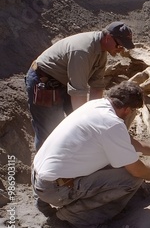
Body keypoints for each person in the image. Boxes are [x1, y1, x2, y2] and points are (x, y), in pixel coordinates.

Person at [31, 81, 150, 228]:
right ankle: (76, 216)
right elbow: (137, 171)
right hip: (54, 188)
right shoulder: (111, 124)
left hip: (38, 177)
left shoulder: (95, 105)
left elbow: (133, 144)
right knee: (131, 180)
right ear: (128, 110)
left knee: (118, 161)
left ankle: (43, 201)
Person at [25, 21, 135, 150]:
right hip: (43, 82)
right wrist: (89, 124)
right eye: (119, 45)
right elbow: (78, 93)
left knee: (78, 127)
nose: (120, 50)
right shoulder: (82, 51)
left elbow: (97, 86)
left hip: (63, 83)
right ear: (108, 37)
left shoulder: (101, 51)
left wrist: (97, 117)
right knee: (51, 132)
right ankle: (42, 167)